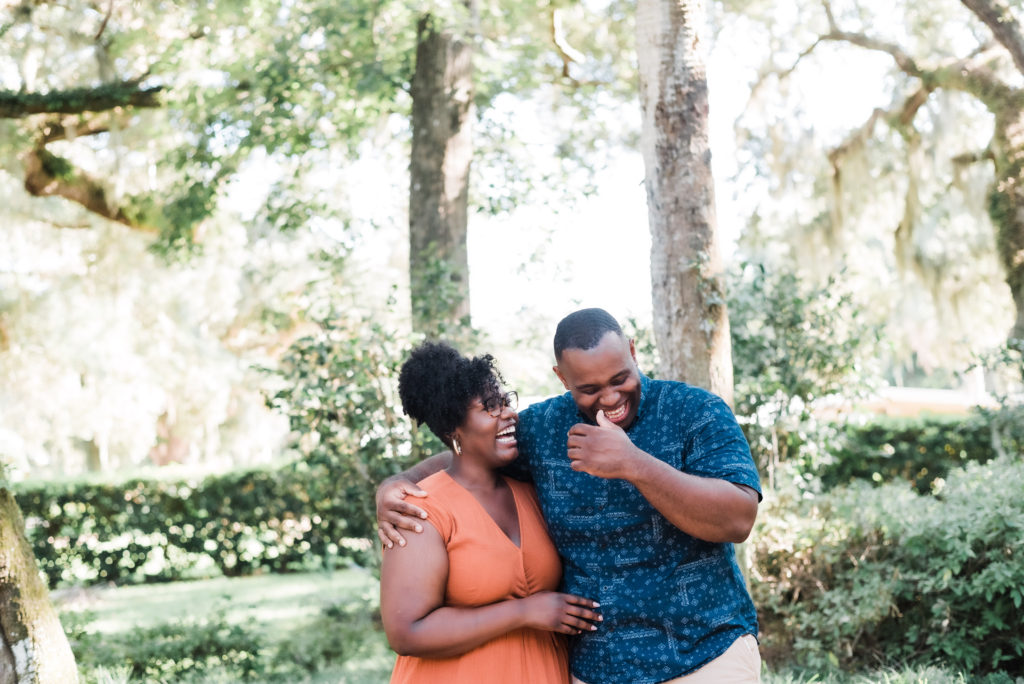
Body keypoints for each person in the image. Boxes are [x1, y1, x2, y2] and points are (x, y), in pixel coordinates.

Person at [378, 309, 763, 683]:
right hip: (597, 669)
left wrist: (634, 463)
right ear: (562, 378)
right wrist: (396, 483)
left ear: (632, 350)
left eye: (620, 379)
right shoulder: (544, 428)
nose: (611, 399)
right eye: (590, 389)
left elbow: (737, 519)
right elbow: (470, 453)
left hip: (706, 653)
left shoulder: (695, 411)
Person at [380, 341, 602, 684]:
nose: (508, 414)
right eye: (489, 408)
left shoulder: (531, 492)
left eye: (506, 402)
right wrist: (524, 612)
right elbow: (406, 632)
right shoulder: (420, 510)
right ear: (454, 429)